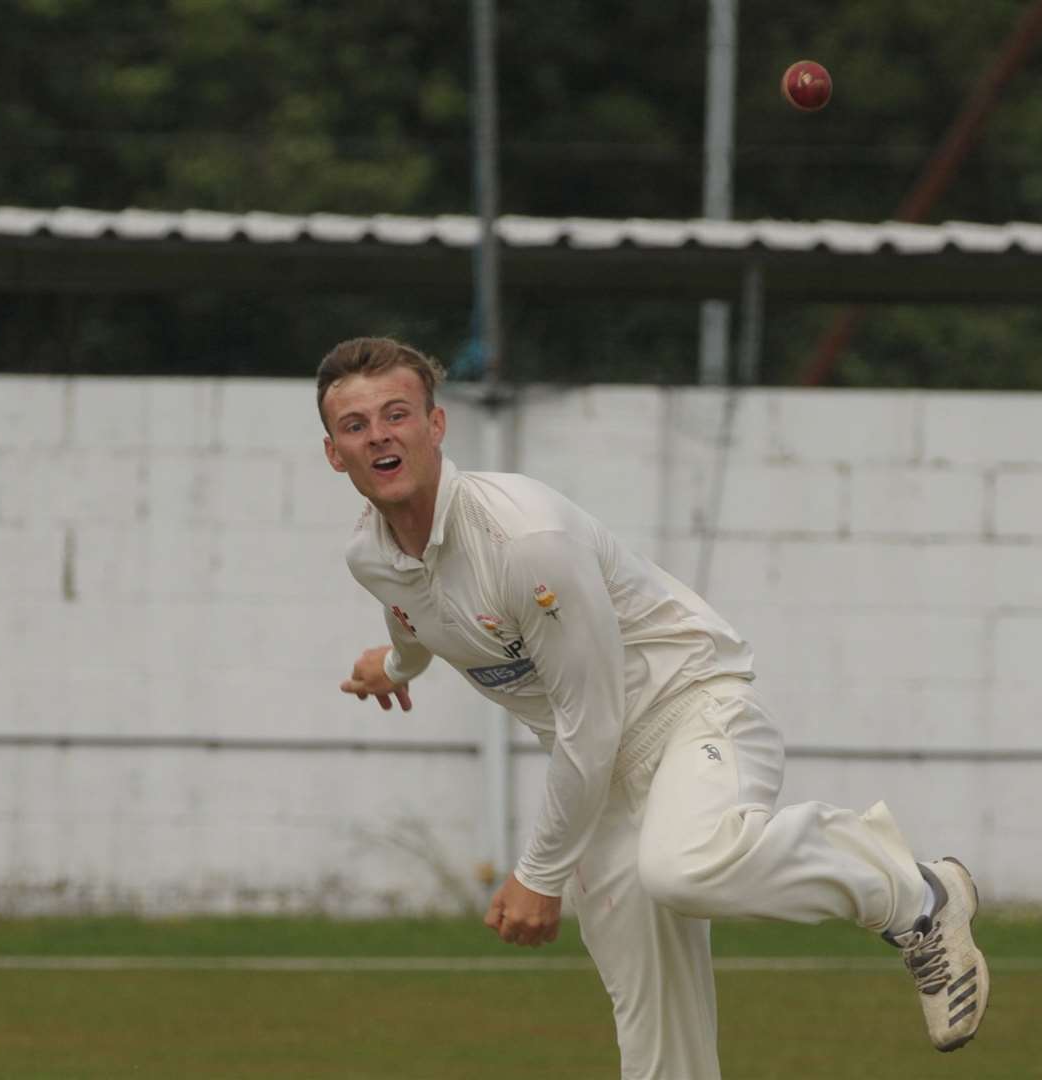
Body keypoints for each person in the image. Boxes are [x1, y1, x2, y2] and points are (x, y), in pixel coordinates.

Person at [319, 336, 989, 1078]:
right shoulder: (370, 555)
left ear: (435, 426)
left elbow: (592, 718)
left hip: (691, 712)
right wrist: (395, 665)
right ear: (333, 453)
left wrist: (540, 875)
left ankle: (911, 889)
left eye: (396, 414)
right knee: (654, 1024)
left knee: (686, 867)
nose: (378, 434)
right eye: (355, 425)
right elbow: (415, 609)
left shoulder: (523, 539)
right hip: (599, 778)